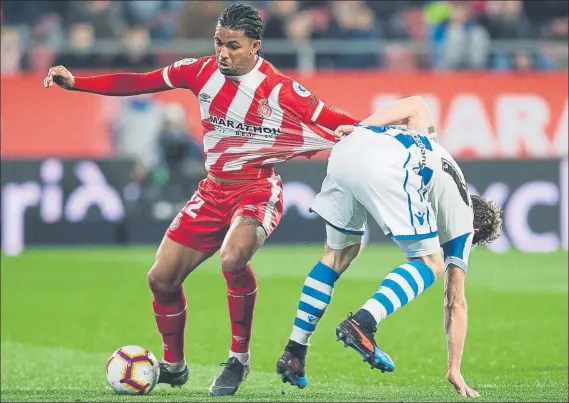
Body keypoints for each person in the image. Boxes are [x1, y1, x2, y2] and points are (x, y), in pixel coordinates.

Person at [43, 3, 359, 397]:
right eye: (218, 42)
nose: (222, 53)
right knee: (160, 279)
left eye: (233, 45)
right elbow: (139, 81)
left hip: (257, 190)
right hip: (212, 191)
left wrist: (378, 132)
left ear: (255, 47)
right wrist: (78, 82)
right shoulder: (199, 71)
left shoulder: (277, 87)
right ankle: (174, 366)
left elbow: (332, 118)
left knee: (233, 258)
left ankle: (238, 360)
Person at [276, 96, 502, 398]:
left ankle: (295, 350)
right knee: (431, 263)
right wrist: (454, 368)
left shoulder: (437, 149)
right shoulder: (462, 222)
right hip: (386, 168)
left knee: (338, 254)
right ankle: (363, 322)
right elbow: (455, 303)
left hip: (348, 148)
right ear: (476, 231)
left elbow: (416, 105)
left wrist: (361, 126)